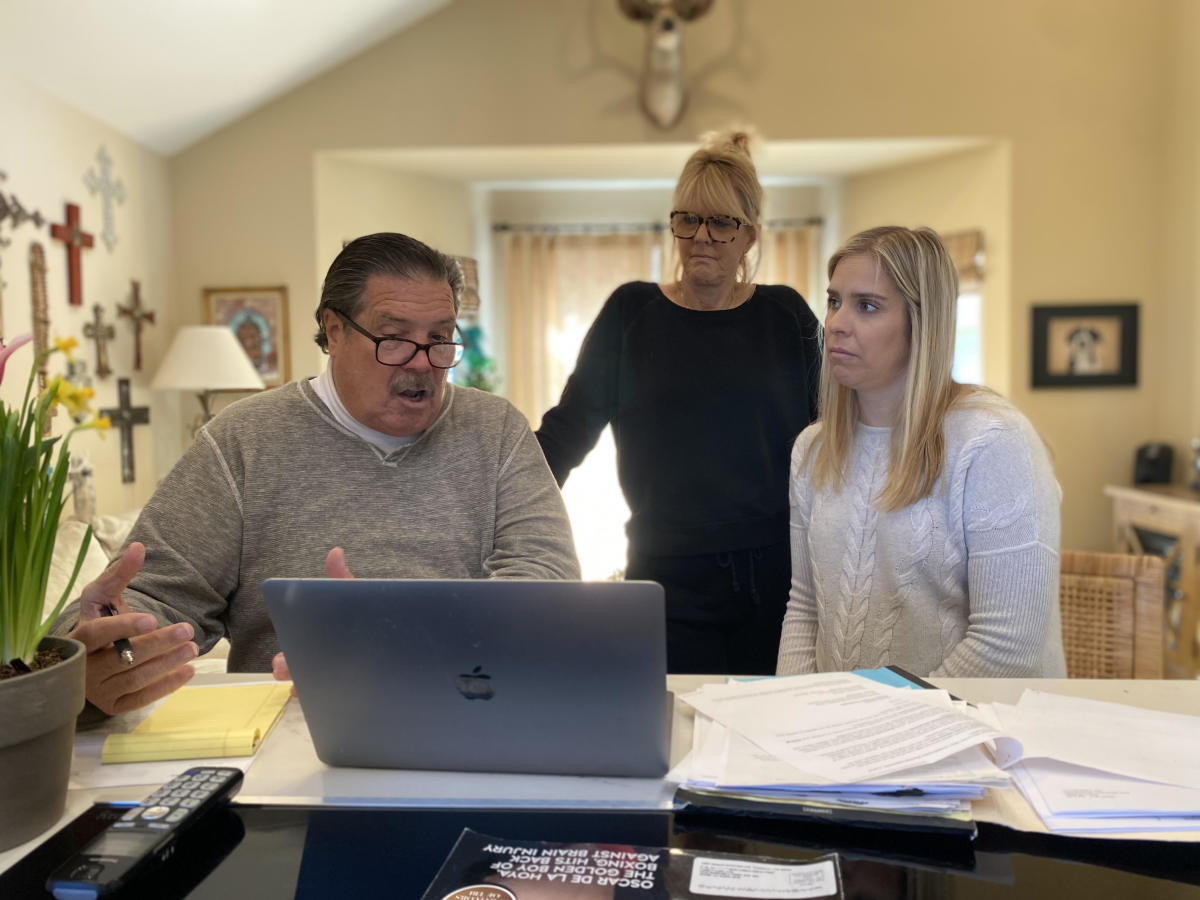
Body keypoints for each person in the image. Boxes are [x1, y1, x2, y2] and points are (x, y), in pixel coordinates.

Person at [53, 232, 580, 715]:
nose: (423, 363)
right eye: (394, 338)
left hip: (471, 714)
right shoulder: (241, 441)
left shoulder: (497, 429)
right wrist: (99, 646)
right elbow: (154, 600)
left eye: (440, 338)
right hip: (293, 738)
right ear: (334, 331)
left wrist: (408, 647)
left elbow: (545, 582)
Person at [535, 130, 821, 675]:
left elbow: (836, 440)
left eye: (721, 222)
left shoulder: (786, 318)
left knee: (764, 738)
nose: (701, 237)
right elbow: (565, 434)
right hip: (662, 578)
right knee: (673, 735)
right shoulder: (631, 313)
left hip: (778, 584)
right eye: (686, 219)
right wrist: (493, 508)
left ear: (750, 237)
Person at [777, 226, 1066, 678]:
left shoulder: (993, 442)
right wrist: (792, 715)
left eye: (866, 306)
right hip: (844, 734)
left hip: (979, 735)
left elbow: (1007, 644)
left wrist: (887, 731)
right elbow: (805, 609)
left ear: (921, 322)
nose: (835, 323)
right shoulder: (812, 450)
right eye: (834, 301)